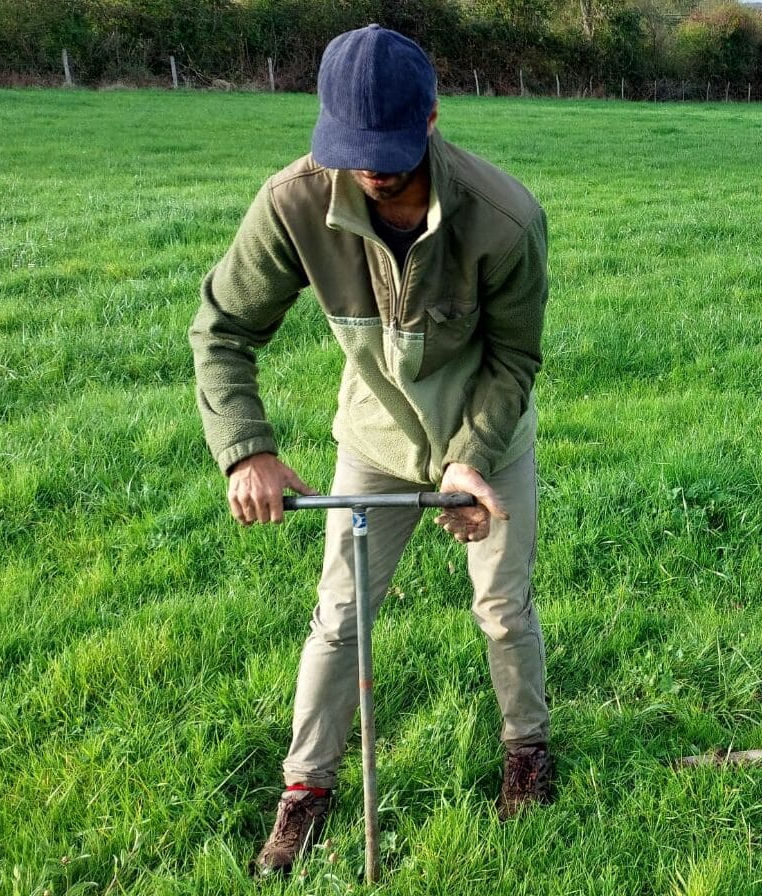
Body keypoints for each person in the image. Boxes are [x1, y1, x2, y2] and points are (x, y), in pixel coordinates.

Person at [189, 24, 552, 877]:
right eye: (353, 151)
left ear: (431, 118)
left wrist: (471, 455)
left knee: (503, 607)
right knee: (340, 616)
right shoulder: (293, 204)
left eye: (387, 150)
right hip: (374, 440)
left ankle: (527, 751)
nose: (372, 171)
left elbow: (513, 360)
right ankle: (306, 789)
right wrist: (246, 449)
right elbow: (223, 329)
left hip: (487, 441)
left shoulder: (505, 219)